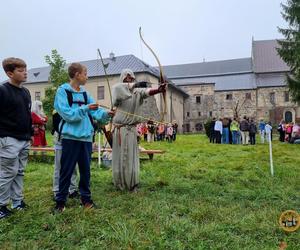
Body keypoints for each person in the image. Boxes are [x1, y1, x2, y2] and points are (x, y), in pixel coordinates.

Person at [53, 63, 115, 212]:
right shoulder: (62, 92)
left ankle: (86, 199)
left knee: (85, 171)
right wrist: (86, 108)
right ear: (76, 74)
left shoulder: (86, 94)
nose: (87, 76)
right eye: (85, 73)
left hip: (86, 138)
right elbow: (67, 114)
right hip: (70, 138)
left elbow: (96, 112)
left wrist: (107, 114)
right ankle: (60, 202)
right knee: (66, 170)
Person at [111, 69, 166, 191]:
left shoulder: (137, 92)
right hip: (120, 130)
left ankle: (132, 183)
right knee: (120, 156)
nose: (129, 80)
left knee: (131, 157)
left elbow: (147, 91)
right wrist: (135, 84)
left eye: (131, 78)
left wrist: (159, 89)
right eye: (127, 78)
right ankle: (119, 182)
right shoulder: (118, 89)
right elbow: (120, 90)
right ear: (122, 79)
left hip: (131, 131)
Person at [0, 58, 32, 219]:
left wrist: (29, 135)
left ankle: (17, 202)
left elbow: (26, 115)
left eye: (25, 69)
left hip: (24, 138)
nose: (25, 72)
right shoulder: (3, 91)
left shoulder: (25, 92)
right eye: (20, 70)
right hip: (8, 138)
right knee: (7, 172)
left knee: (19, 171)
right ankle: (1, 205)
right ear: (9, 73)